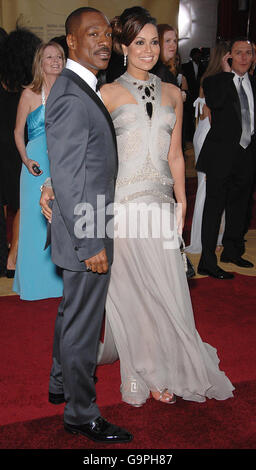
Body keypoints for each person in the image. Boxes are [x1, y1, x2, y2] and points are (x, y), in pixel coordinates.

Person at [41, 6, 234, 409]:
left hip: (161, 207)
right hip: (124, 211)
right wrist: (51, 183)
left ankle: (171, 363)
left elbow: (177, 156)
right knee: (134, 298)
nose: (148, 50)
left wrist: (182, 204)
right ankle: (147, 370)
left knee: (167, 294)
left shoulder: (174, 94)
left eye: (154, 43)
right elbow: (83, 152)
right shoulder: (106, 94)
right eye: (139, 42)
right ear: (125, 47)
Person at [41, 7, 132, 443]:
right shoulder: (72, 93)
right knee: (82, 324)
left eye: (107, 34)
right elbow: (70, 178)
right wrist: (90, 240)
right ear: (71, 42)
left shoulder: (79, 86)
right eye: (91, 34)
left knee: (70, 313)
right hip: (86, 231)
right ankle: (81, 413)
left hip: (84, 226)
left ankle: (60, 385)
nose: (103, 42)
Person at [197, 37, 256, 279]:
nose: (243, 57)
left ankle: (232, 251)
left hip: (247, 154)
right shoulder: (214, 82)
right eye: (238, 52)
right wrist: (226, 73)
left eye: (248, 53)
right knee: (214, 209)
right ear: (229, 56)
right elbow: (217, 104)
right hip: (221, 156)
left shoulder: (254, 83)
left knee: (240, 208)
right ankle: (207, 261)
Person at [13, 42, 64, 300]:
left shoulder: (69, 92)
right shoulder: (29, 94)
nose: (55, 61)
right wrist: (24, 159)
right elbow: (17, 132)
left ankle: (58, 283)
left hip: (62, 160)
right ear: (40, 63)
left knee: (59, 221)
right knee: (35, 222)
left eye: (59, 56)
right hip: (35, 162)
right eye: (49, 57)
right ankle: (34, 284)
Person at [0, 27, 41, 278]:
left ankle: (8, 259)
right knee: (23, 206)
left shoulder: (4, 84)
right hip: (22, 149)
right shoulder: (32, 90)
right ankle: (15, 259)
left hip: (4, 150)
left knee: (11, 206)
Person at [186, 41, 230, 254]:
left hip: (210, 133)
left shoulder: (211, 79)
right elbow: (214, 117)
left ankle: (215, 236)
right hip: (210, 135)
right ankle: (205, 239)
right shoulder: (215, 81)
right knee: (208, 186)